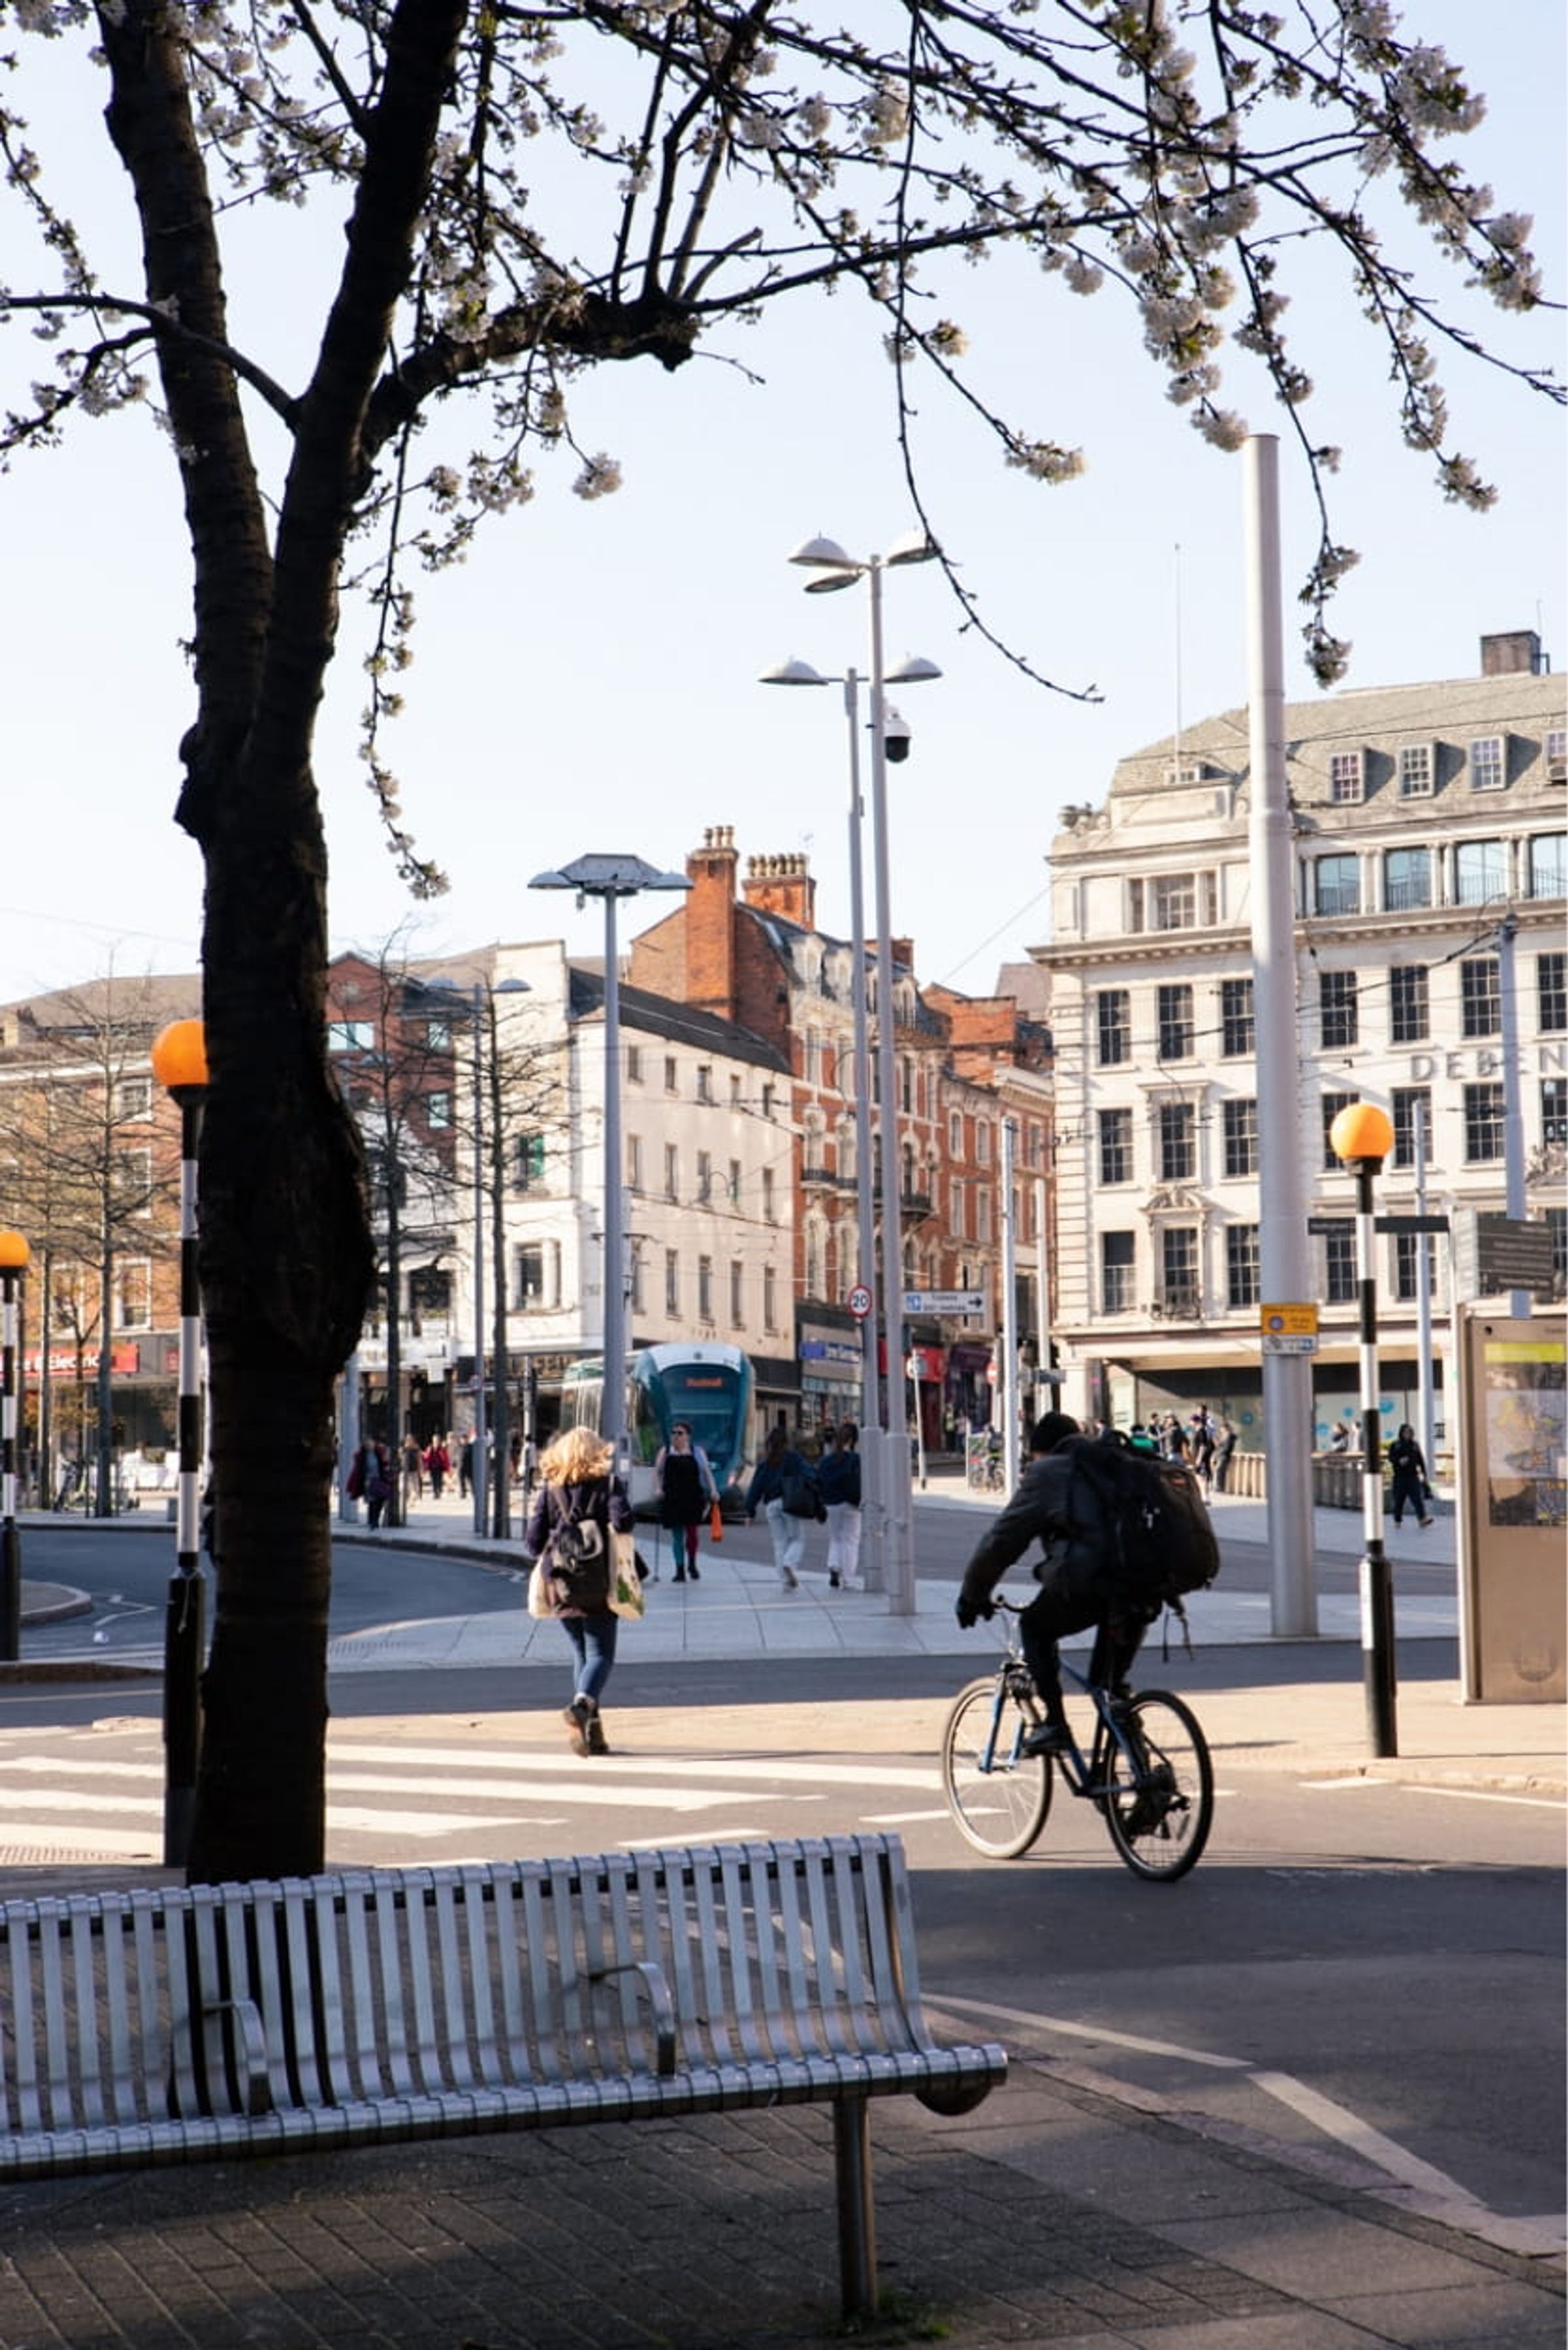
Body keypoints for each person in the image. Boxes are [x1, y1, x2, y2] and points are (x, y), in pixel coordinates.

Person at [955, 1411, 1155, 1757]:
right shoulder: (1117, 1463)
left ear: (1041, 1452)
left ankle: (1055, 1725)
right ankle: (1144, 1781)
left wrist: (973, 1595)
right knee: (1108, 1690)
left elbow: (1001, 1542)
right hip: (1147, 1586)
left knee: (1034, 1627)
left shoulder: (1052, 1472)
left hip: (1092, 1584)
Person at [524, 1425, 634, 1756]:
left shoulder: (550, 1490)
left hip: (562, 1585)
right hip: (598, 1583)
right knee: (601, 1655)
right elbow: (625, 1522)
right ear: (597, 1452)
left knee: (582, 1655)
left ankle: (593, 1735)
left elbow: (532, 1543)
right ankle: (582, 1705)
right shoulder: (609, 1485)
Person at [744, 1423, 812, 1591]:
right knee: (797, 1539)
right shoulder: (793, 1459)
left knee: (779, 1542)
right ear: (786, 1442)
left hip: (771, 1506)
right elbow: (808, 1473)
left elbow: (755, 1489)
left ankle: (785, 1581)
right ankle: (790, 1563)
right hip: (790, 1503)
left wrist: (750, 1511)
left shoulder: (765, 1464)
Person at [654, 1419, 718, 1583]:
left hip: (692, 1497)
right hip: (673, 1498)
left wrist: (713, 1490)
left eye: (680, 1433)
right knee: (677, 1536)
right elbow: (657, 1473)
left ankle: (692, 1563)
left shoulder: (697, 1452)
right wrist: (658, 1489)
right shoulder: (666, 1452)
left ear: (688, 1436)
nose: (676, 1436)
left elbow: (706, 1473)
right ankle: (680, 1569)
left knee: (692, 1534)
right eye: (674, 1433)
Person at [817, 1422, 863, 1591]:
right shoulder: (855, 1459)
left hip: (831, 1504)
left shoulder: (826, 1461)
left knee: (836, 1538)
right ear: (852, 1440)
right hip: (850, 1504)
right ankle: (847, 1578)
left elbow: (819, 1481)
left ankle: (834, 1566)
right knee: (850, 1540)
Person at [1388, 1423, 1434, 1528]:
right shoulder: (1395, 1445)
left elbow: (1420, 1460)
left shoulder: (1415, 1445)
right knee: (1399, 1500)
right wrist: (1399, 1461)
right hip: (1399, 1477)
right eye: (1407, 1432)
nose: (1409, 1434)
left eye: (1410, 1432)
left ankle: (1422, 1519)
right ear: (1402, 1433)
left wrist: (1424, 1474)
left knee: (1418, 1499)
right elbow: (1390, 1458)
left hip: (1413, 1476)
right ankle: (1397, 1521)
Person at [348, 1437, 393, 1529]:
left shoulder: (379, 1453)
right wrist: (364, 1481)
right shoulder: (362, 1456)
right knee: (372, 1501)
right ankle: (373, 1522)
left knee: (381, 1499)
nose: (370, 1445)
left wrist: (386, 1463)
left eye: (371, 1443)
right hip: (369, 1481)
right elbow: (359, 1470)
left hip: (379, 1480)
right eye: (367, 1444)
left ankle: (375, 1519)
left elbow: (385, 1464)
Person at [1211, 1413, 1237, 1493]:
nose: (1221, 1430)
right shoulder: (1224, 1436)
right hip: (1220, 1456)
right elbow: (1219, 1446)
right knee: (1219, 1471)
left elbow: (1226, 1448)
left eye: (1222, 1429)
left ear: (1226, 1429)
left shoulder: (1229, 1437)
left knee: (1220, 1471)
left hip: (1224, 1456)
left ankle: (1220, 1487)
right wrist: (1217, 1444)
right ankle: (1219, 1486)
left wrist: (1220, 1448)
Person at [423, 1432, 451, 1498]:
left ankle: (438, 1490)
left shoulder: (442, 1449)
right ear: (433, 1441)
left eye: (437, 1440)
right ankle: (435, 1492)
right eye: (435, 1440)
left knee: (439, 1479)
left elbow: (445, 1458)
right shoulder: (430, 1448)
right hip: (432, 1467)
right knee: (433, 1480)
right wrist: (425, 1466)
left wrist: (448, 1468)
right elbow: (427, 1457)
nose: (436, 1442)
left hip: (439, 1467)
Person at [400, 1432, 423, 1508]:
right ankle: (407, 1502)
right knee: (405, 1488)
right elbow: (400, 1457)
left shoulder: (416, 1449)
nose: (409, 1441)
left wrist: (421, 1469)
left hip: (414, 1470)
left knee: (414, 1487)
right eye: (408, 1439)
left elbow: (419, 1459)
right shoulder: (403, 1449)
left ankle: (412, 1501)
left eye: (410, 1439)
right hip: (405, 1470)